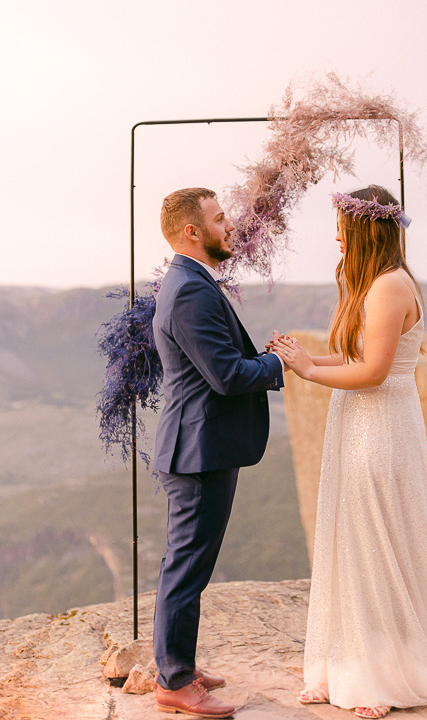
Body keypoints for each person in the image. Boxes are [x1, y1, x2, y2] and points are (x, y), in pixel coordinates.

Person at [270, 186, 427, 719]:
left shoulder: (390, 287)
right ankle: (344, 663)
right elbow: (351, 353)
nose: (335, 235)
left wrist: (308, 372)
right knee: (349, 535)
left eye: (342, 225)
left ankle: (382, 677)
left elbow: (373, 371)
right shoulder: (367, 282)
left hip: (382, 423)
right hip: (356, 418)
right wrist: (305, 356)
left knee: (376, 535)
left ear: (366, 230)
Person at [151, 187, 286, 718]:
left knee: (192, 562)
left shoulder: (191, 282)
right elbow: (227, 375)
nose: (229, 225)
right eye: (218, 217)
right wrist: (278, 365)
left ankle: (178, 662)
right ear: (192, 231)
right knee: (186, 565)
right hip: (197, 451)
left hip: (200, 446)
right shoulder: (190, 290)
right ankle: (174, 681)